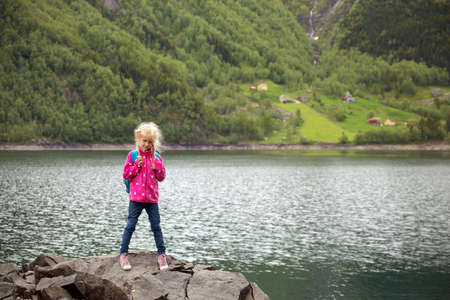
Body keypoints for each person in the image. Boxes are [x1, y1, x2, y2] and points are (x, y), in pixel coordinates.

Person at [119, 122, 168, 271]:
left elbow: (161, 177)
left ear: (154, 142)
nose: (146, 144)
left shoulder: (157, 157)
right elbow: (126, 174)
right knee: (130, 226)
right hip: (136, 199)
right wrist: (136, 165)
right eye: (144, 141)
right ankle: (123, 254)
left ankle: (161, 255)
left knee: (156, 227)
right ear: (139, 140)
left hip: (152, 199)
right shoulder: (132, 155)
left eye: (150, 142)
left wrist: (156, 165)